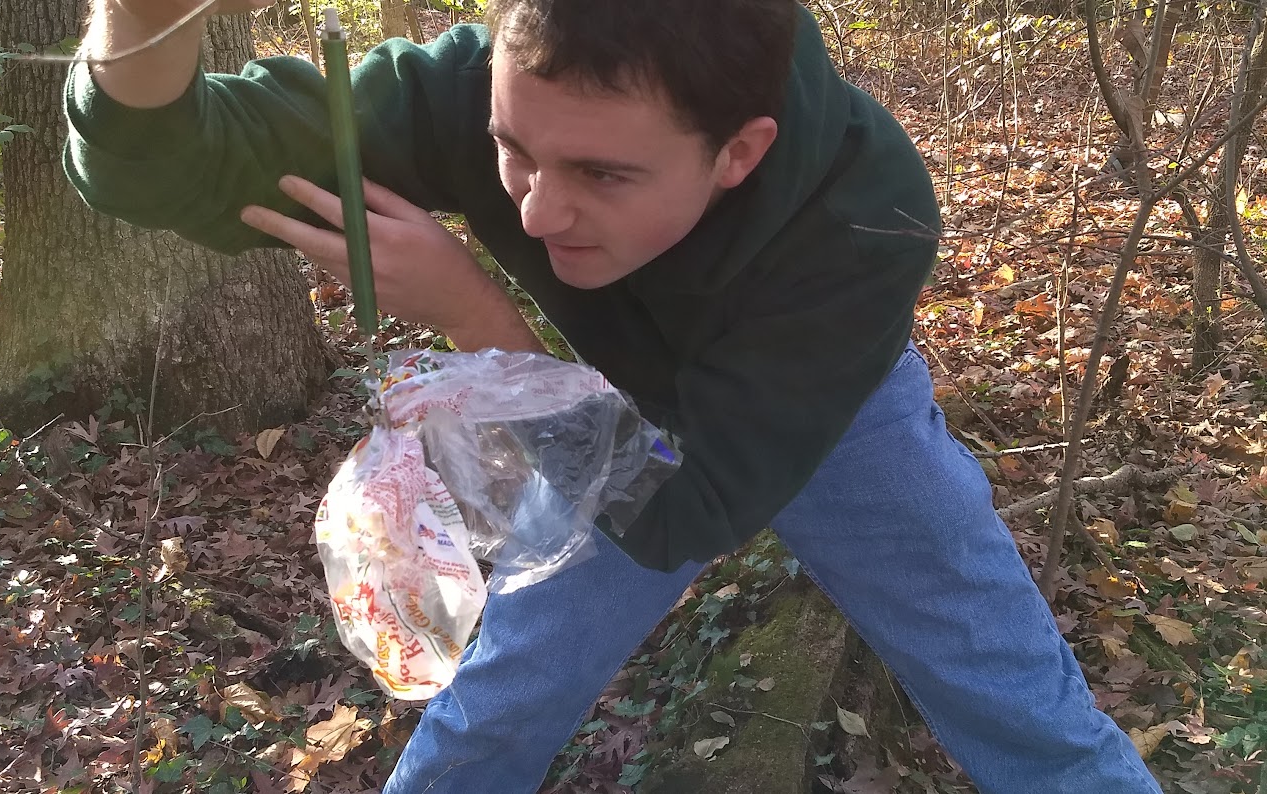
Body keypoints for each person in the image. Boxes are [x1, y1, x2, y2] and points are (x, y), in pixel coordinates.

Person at [65, 1, 1163, 791]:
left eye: (602, 175)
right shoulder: (475, 93)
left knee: (1007, 687)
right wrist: (145, 21)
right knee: (503, 695)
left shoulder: (865, 218)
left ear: (738, 152)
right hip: (597, 409)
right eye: (510, 151)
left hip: (832, 410)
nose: (538, 213)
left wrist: (477, 319)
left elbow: (677, 515)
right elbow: (160, 161)